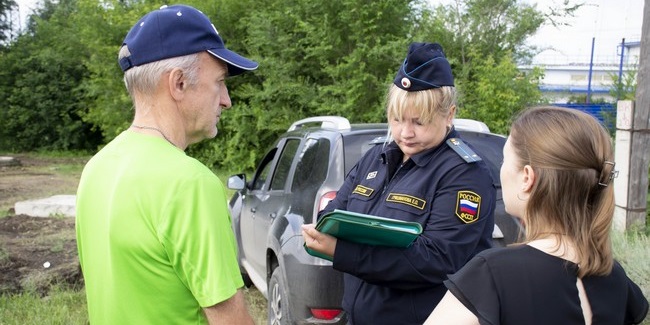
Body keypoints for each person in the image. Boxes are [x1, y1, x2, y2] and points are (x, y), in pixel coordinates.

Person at [75, 5, 258, 325]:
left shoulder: (97, 167)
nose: (226, 100)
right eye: (219, 82)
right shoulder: (190, 183)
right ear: (178, 83)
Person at [301, 42, 496, 325]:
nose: (405, 133)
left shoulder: (464, 174)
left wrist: (343, 252)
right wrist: (324, 228)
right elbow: (333, 213)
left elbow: (437, 261)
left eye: (419, 122)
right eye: (397, 119)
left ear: (449, 115)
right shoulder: (376, 157)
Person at [425, 106, 649, 325]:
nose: (502, 170)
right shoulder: (613, 275)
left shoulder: (493, 275)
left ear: (527, 178)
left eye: (505, 161)